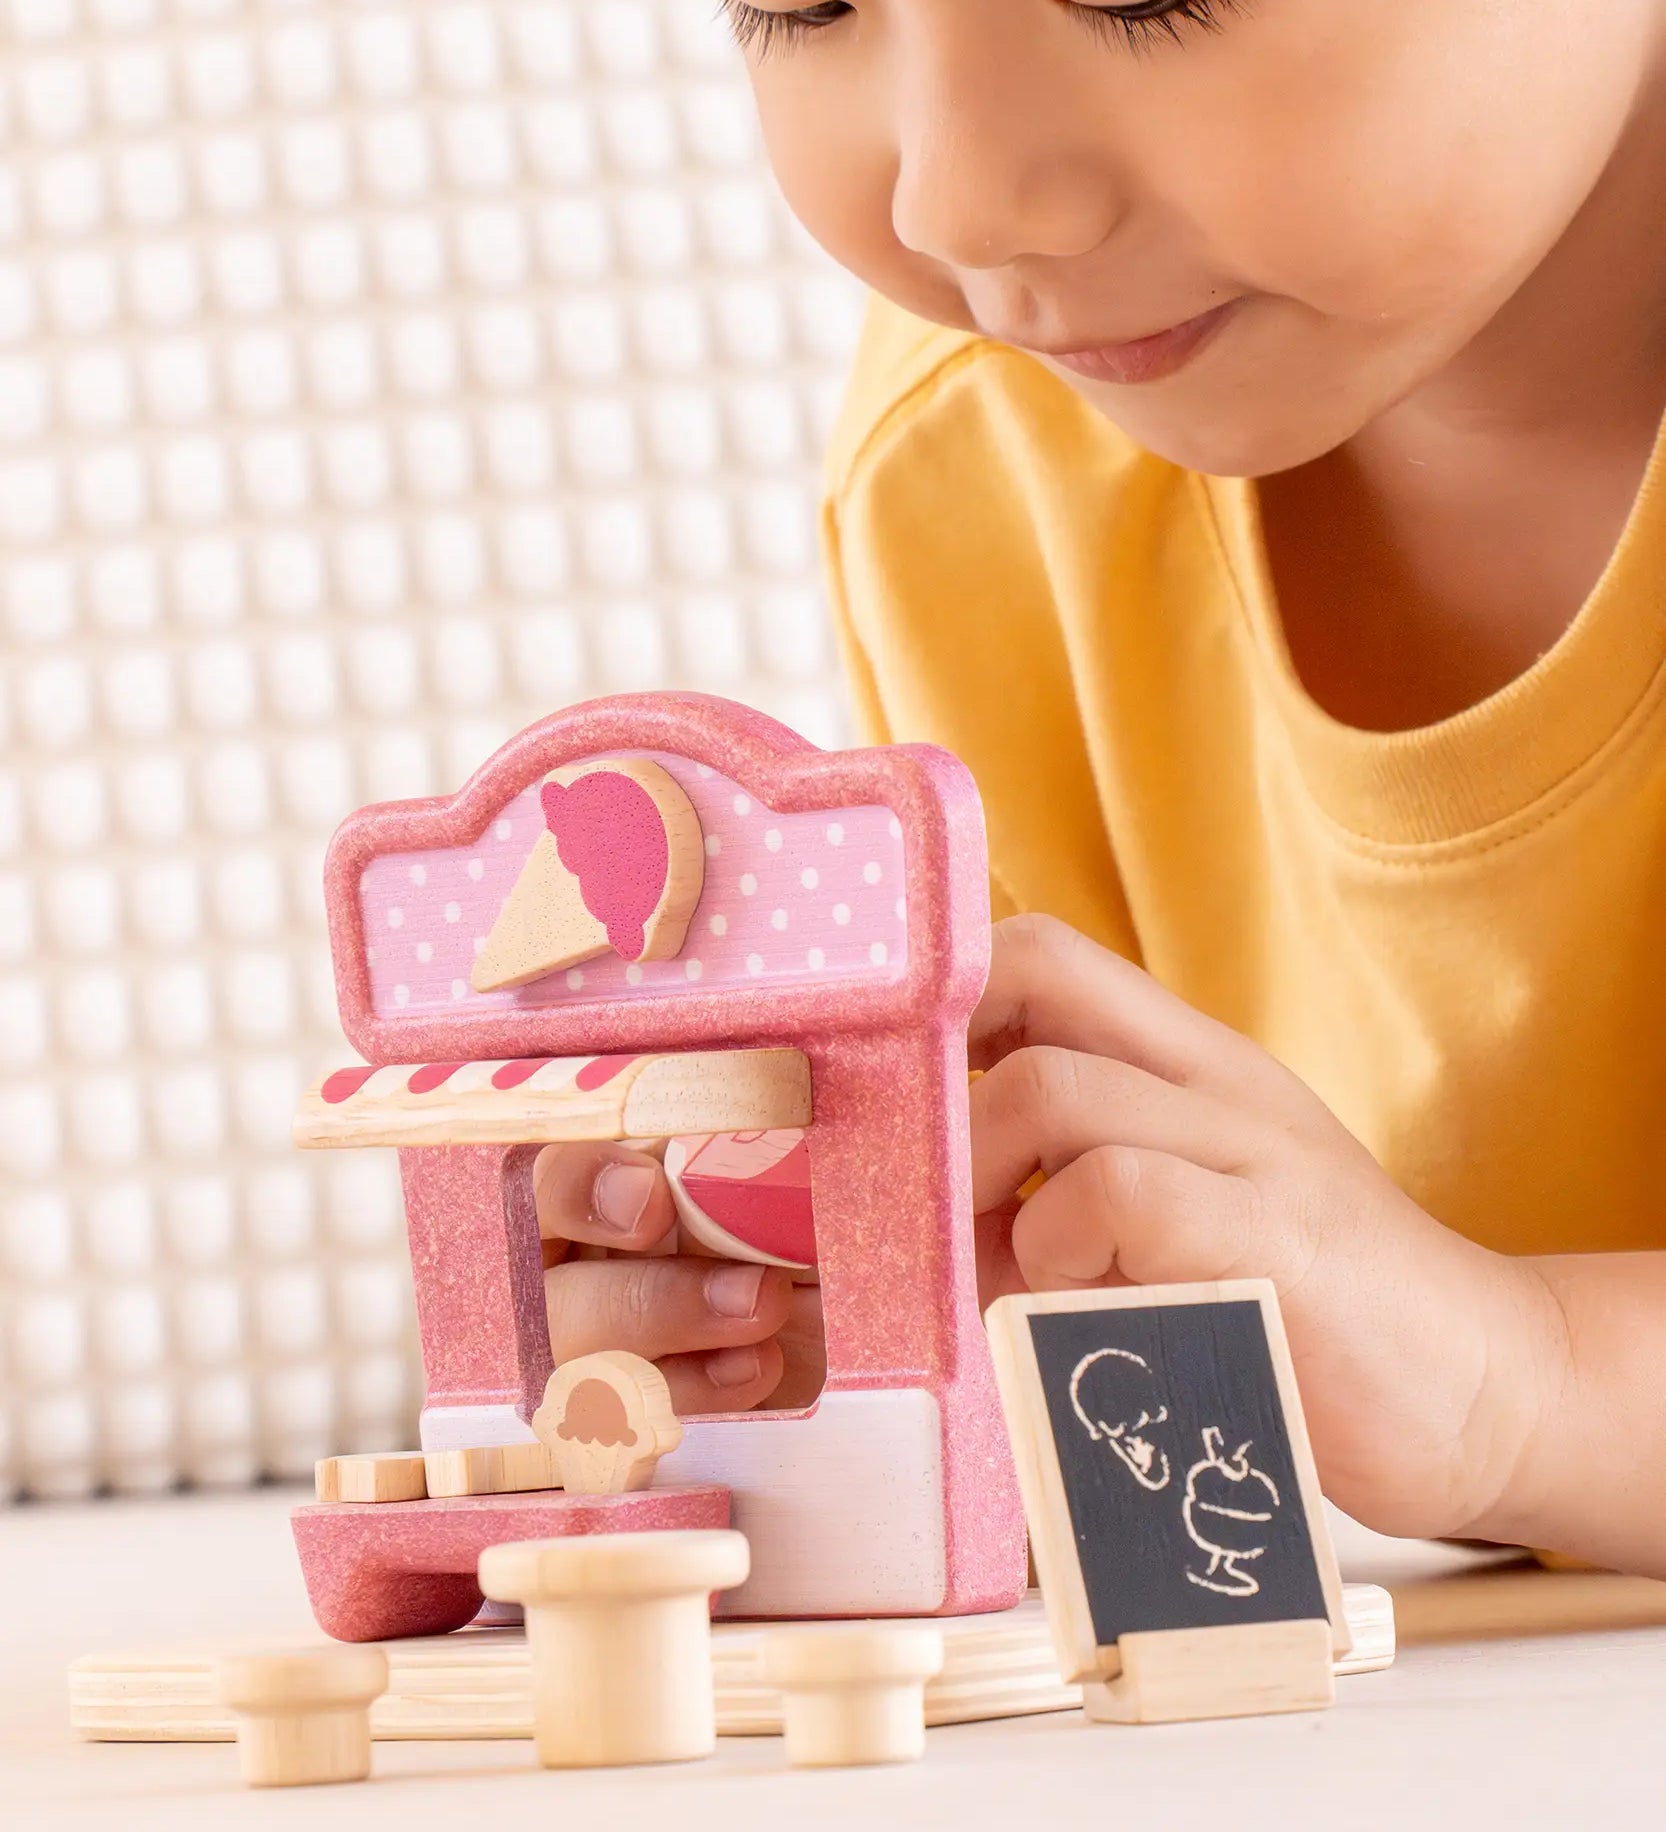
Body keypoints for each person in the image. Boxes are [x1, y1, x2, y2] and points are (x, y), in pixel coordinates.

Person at [537, 0, 1666, 1577]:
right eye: (797, 2)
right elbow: (1152, 1334)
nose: (957, 198)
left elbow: (1445, 1385)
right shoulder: (978, 462)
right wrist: (877, 1340)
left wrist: (1522, 1386)